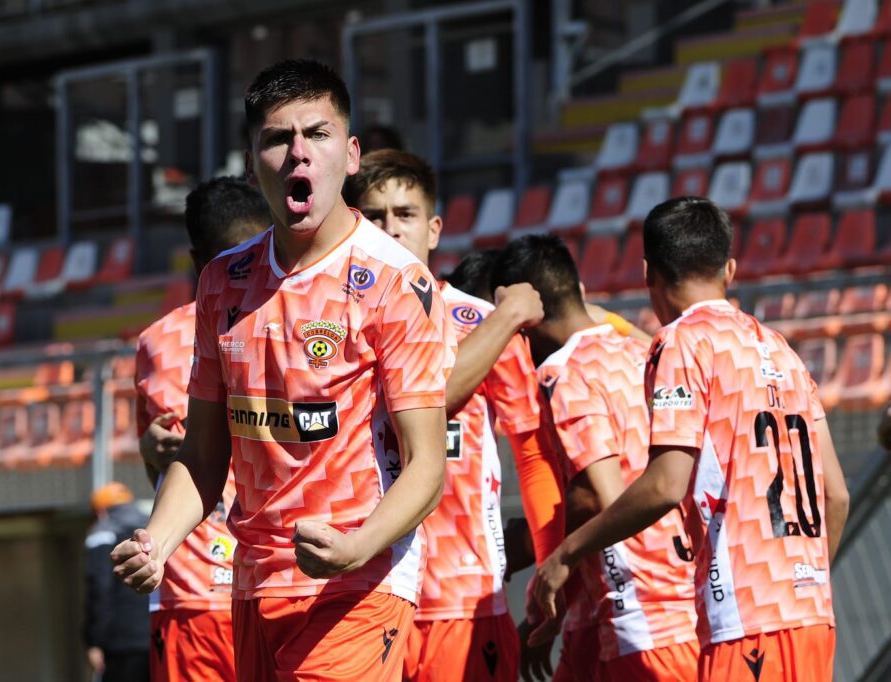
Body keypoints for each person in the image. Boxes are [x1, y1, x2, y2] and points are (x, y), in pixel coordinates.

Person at [111, 59, 456, 682]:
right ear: (252, 161)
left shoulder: (395, 281)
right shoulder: (223, 281)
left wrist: (356, 545)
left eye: (317, 135)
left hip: (360, 582)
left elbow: (427, 465)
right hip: (253, 581)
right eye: (278, 138)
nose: (299, 154)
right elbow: (205, 453)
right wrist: (156, 542)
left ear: (351, 155)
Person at [533, 197, 851, 681]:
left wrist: (567, 553)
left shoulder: (681, 341)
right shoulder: (781, 348)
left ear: (647, 274)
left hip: (745, 620)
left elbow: (664, 486)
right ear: (730, 268)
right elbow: (836, 495)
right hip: (813, 617)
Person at [345, 149, 563, 682]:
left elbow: (532, 451)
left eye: (406, 214)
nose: (391, 230)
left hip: (460, 596)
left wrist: (551, 565)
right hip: (365, 593)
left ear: (434, 228)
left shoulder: (477, 320)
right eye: (374, 216)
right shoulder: (334, 324)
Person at [491, 234, 699, 682]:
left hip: (640, 608)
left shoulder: (563, 372)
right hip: (665, 598)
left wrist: (529, 550)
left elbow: (595, 496)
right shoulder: (644, 352)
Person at [135, 177, 271, 681]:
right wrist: (152, 449)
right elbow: (167, 462)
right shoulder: (160, 342)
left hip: (256, 582)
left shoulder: (158, 341)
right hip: (206, 586)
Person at [84, 483, 150, 682]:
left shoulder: (101, 534)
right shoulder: (151, 531)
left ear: (101, 512)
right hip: (160, 637)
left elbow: (99, 588)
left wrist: (94, 640)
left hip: (119, 643)